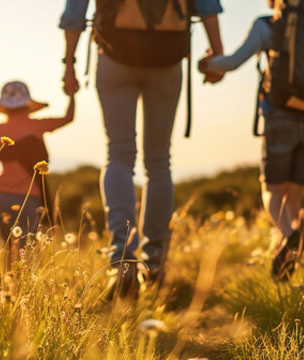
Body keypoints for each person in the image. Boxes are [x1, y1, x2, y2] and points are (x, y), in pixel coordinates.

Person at [60, 0, 225, 298]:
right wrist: (217, 52)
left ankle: (122, 262)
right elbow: (209, 6)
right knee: (159, 163)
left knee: (119, 155)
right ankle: (156, 265)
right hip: (167, 58)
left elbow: (74, 15)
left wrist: (69, 65)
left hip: (114, 55)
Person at [200, 0, 304, 281]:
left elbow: (233, 62)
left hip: (281, 118)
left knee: (271, 191)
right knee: (294, 194)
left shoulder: (269, 25)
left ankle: (290, 236)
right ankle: (289, 258)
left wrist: (207, 64)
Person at [0, 81, 74, 262]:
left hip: (0, 196)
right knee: (25, 251)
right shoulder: (37, 126)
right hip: (30, 197)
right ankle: (21, 285)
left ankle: (7, 285)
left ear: (3, 108)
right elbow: (68, 118)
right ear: (28, 106)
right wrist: (72, 94)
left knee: (8, 248)